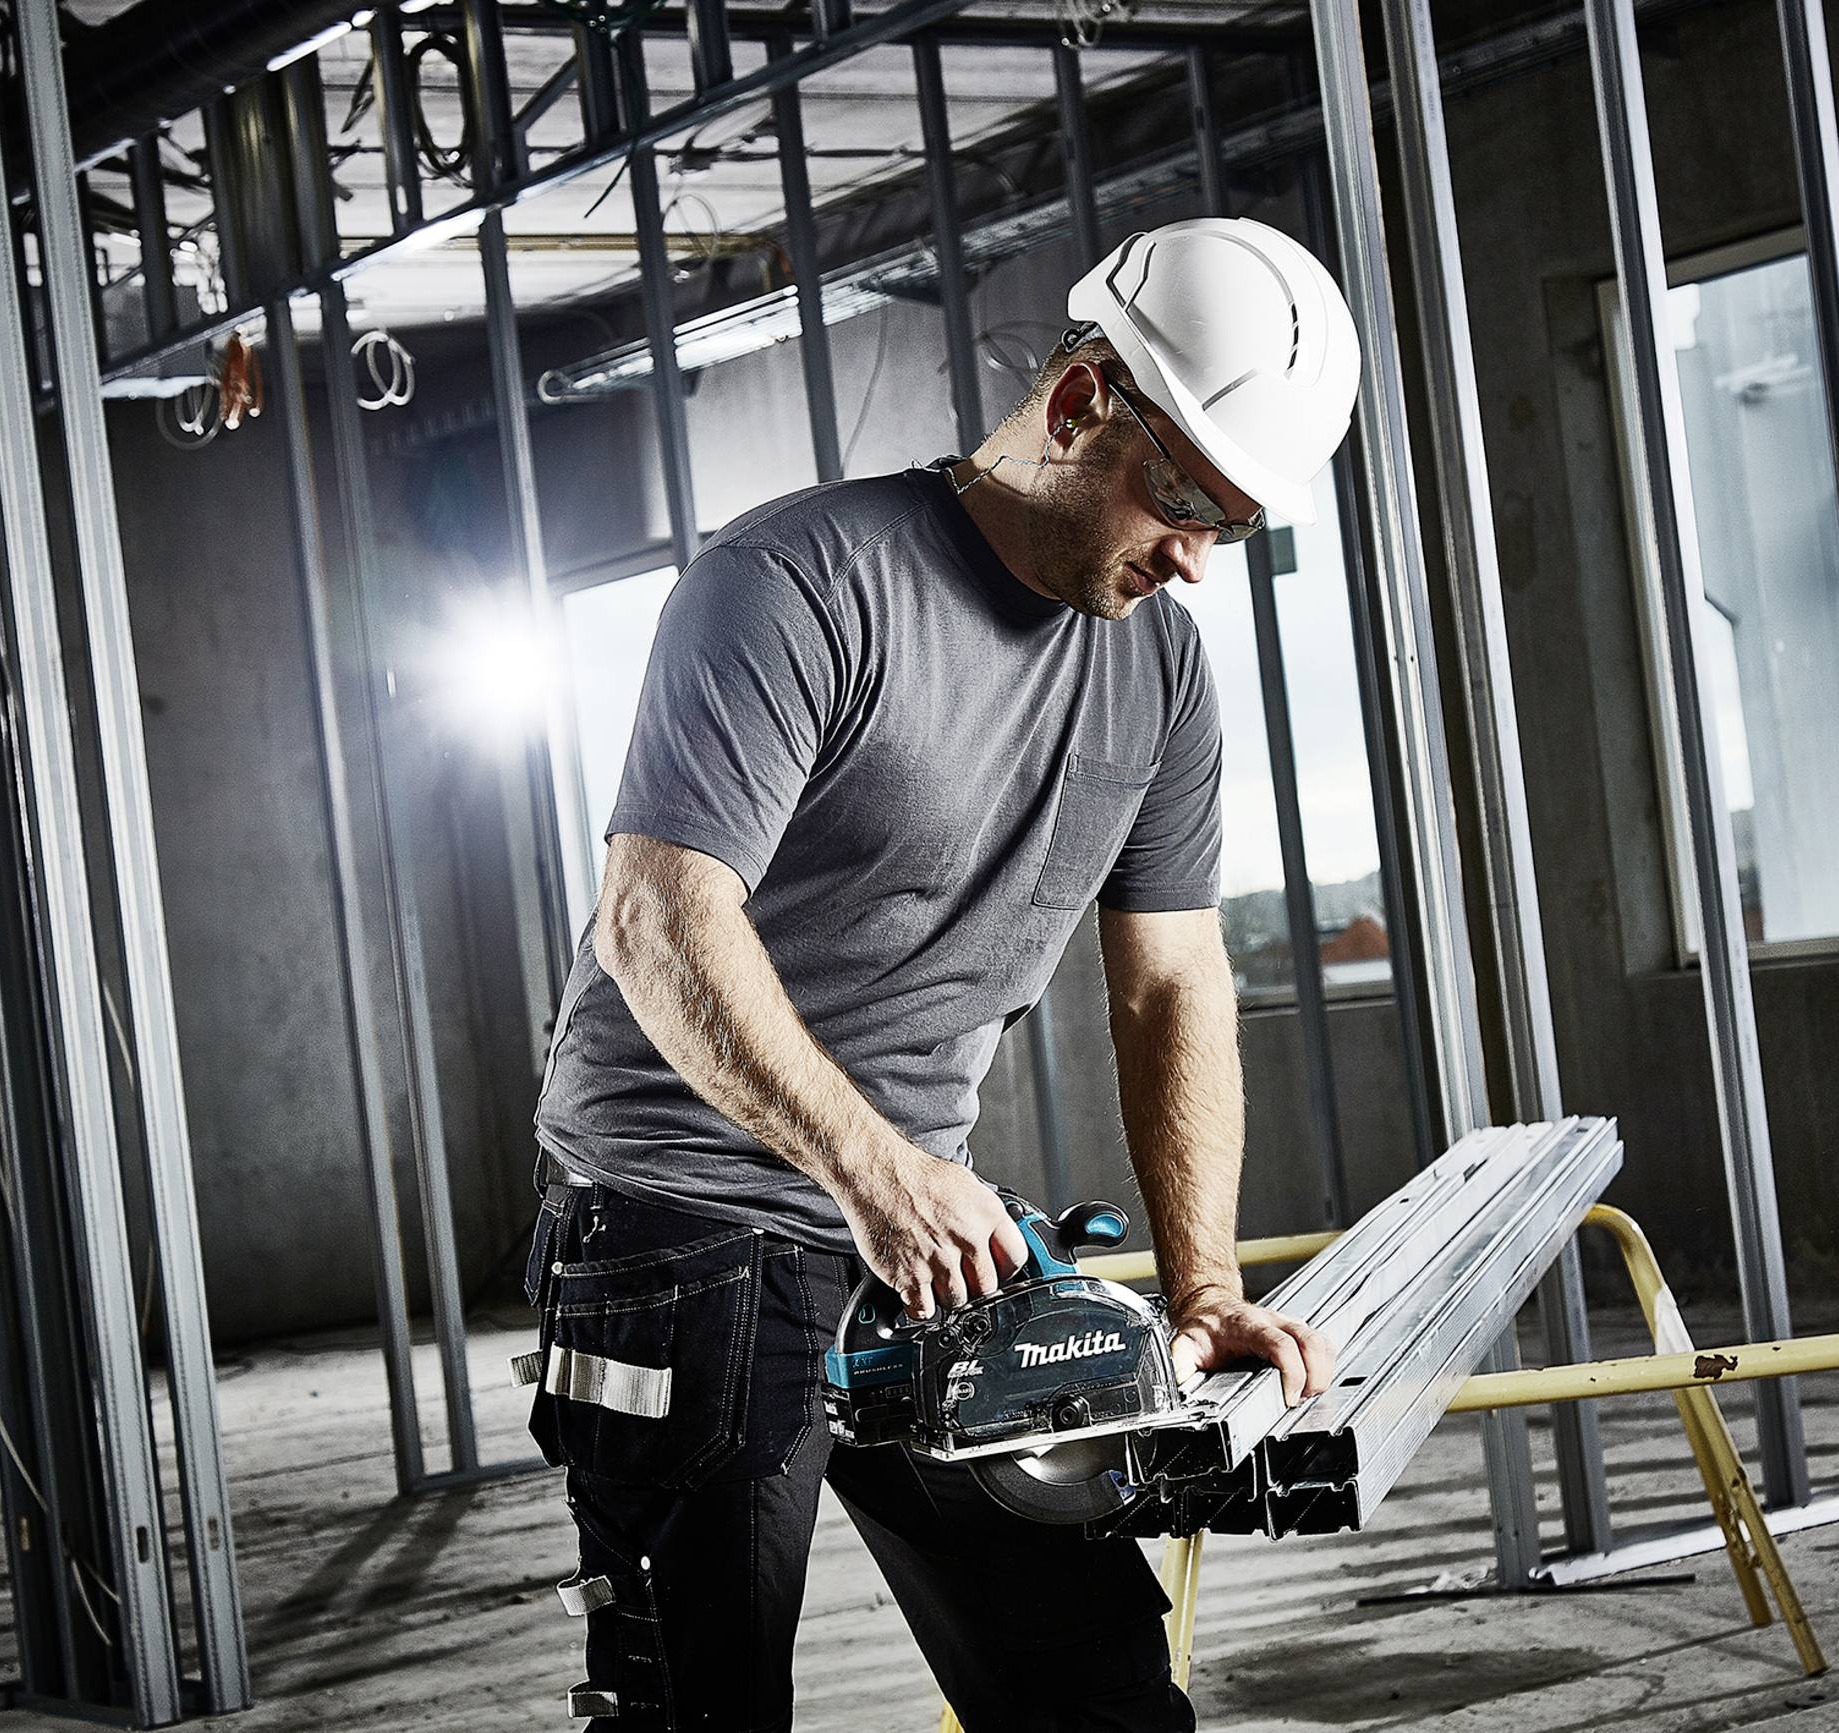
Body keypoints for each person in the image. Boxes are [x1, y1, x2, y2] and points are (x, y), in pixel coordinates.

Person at [525, 216, 1367, 1732]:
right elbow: (658, 918)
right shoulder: (797, 582)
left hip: (925, 1223)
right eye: (1181, 501)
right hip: (684, 1228)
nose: (1194, 559)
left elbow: (1172, 983)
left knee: (1098, 1692)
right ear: (1076, 406)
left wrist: (1205, 1284)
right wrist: (870, 1169)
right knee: (699, 1708)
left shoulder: (1159, 667)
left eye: (1230, 528)